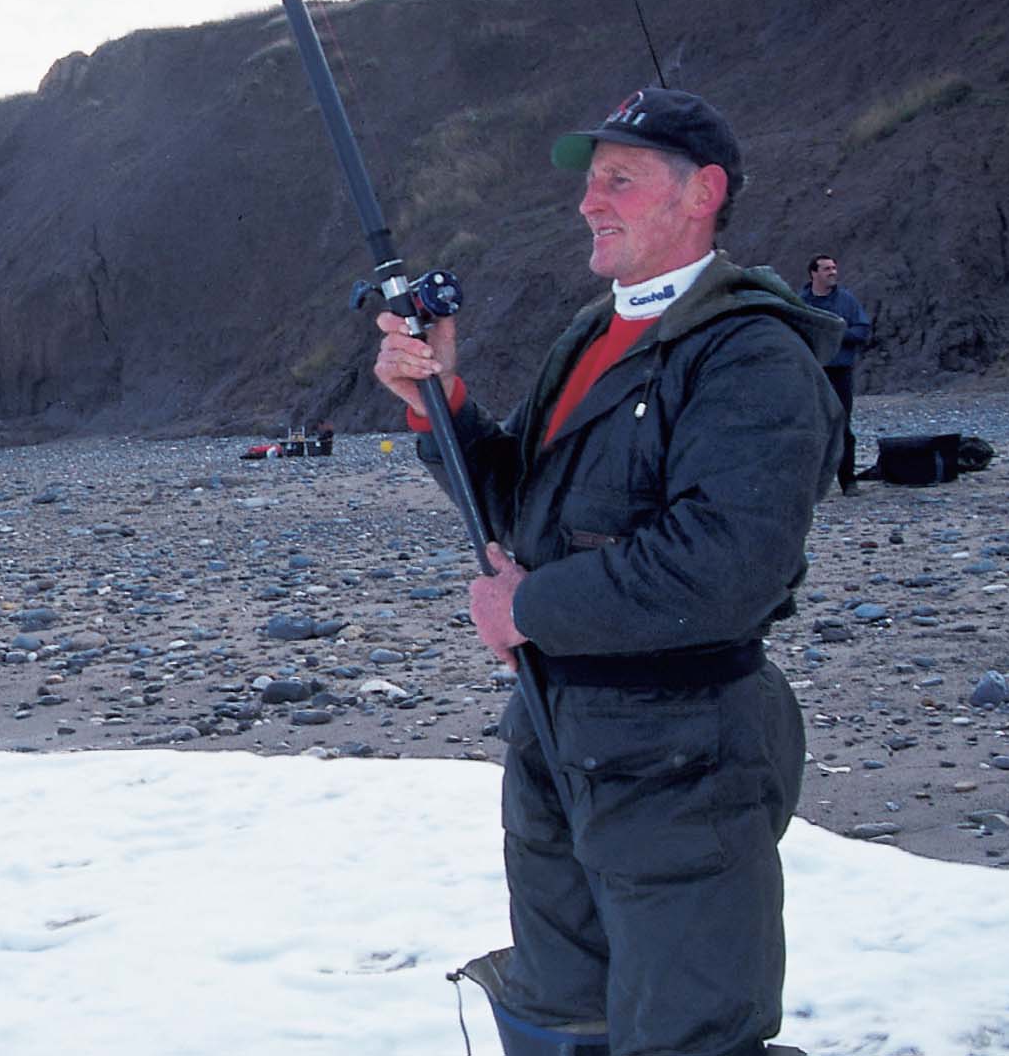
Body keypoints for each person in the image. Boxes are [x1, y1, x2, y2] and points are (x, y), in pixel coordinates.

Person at [373, 87, 840, 1056]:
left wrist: (529, 606)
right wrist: (440, 402)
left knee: (688, 1036)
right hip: (555, 744)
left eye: (619, 180)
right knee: (557, 1016)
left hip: (681, 761)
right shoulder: (588, 338)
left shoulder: (754, 353)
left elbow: (725, 568)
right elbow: (525, 510)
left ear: (702, 191)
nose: (590, 203)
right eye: (590, 184)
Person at [798, 254, 872, 494]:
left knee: (842, 426)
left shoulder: (846, 301)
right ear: (814, 273)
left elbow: (861, 330)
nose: (832, 272)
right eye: (827, 269)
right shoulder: (800, 302)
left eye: (834, 268)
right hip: (812, 372)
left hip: (840, 373)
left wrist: (835, 333)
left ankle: (848, 480)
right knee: (811, 426)